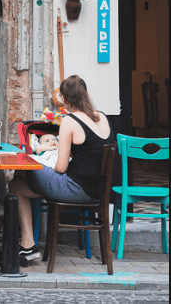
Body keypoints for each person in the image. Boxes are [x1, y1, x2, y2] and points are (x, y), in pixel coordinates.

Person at [8, 75, 114, 261]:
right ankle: (26, 242)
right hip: (97, 190)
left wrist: (43, 162)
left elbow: (61, 167)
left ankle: (28, 243)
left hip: (75, 189)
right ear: (86, 94)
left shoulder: (70, 121)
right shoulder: (102, 117)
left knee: (19, 177)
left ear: (63, 99)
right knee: (21, 181)